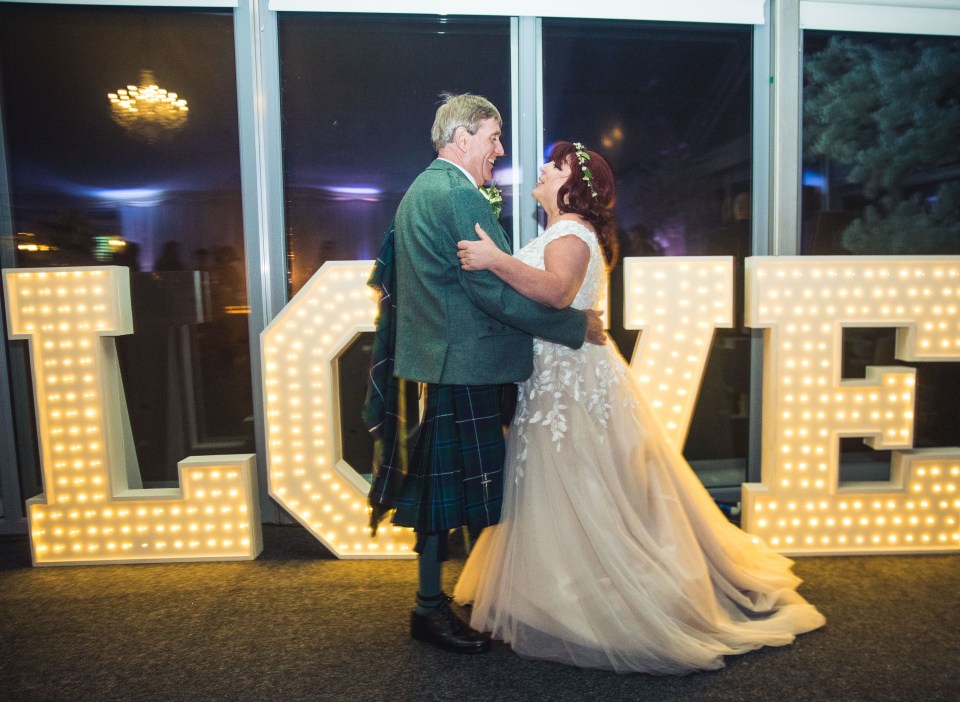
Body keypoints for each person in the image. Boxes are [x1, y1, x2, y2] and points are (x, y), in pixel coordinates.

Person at [452, 142, 826, 674]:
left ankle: (593, 596)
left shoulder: (571, 232)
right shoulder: (561, 231)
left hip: (572, 382)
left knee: (582, 484)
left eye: (553, 165)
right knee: (562, 486)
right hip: (555, 375)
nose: (542, 168)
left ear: (572, 184)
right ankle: (556, 591)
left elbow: (557, 294)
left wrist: (494, 260)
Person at [363, 96, 606, 655]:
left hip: (452, 359)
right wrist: (571, 325)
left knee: (452, 489)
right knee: (446, 493)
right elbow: (488, 290)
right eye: (493, 137)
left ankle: (453, 600)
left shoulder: (427, 188)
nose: (500, 149)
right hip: (464, 361)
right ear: (461, 137)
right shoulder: (453, 193)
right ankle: (428, 610)